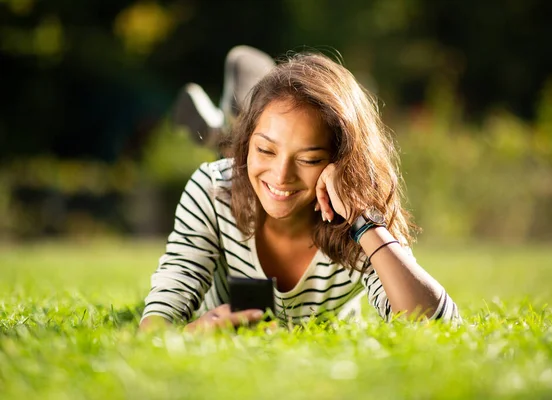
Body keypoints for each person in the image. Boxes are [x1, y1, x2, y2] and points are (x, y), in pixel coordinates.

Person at [139, 50, 460, 333]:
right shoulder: (211, 188)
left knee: (258, 165)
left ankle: (230, 128)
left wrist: (364, 223)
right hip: (233, 172)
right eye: (264, 150)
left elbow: (438, 326)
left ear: (343, 160)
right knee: (234, 168)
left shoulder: (360, 208)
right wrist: (192, 332)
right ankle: (230, 131)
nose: (282, 176)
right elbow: (158, 322)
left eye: (309, 159)